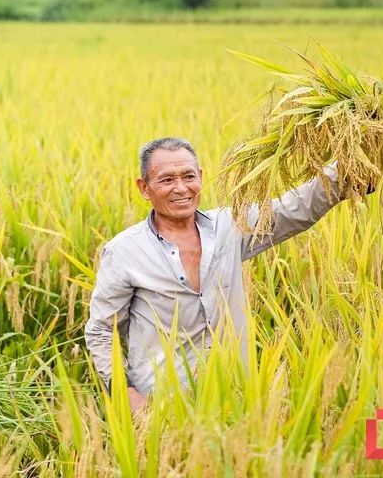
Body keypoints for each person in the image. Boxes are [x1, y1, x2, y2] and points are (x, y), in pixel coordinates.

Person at [84, 137, 362, 414]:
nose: (181, 188)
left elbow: (294, 208)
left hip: (234, 396)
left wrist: (352, 163)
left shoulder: (230, 227)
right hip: (162, 405)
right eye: (166, 180)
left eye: (188, 176)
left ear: (200, 178)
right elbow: (101, 330)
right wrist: (126, 394)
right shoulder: (124, 252)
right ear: (144, 188)